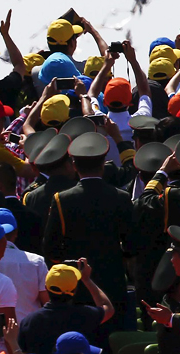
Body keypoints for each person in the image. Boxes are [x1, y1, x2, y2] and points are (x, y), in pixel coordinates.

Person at [39, 133, 133, 324]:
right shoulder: (121, 197)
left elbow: (50, 249)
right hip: (113, 279)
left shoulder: (62, 199)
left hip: (76, 284)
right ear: (103, 164)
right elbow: (132, 246)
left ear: (74, 166)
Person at [16, 263, 113, 354]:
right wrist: (86, 279)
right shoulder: (86, 314)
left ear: (46, 287)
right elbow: (108, 308)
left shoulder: (29, 321)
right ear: (74, 291)